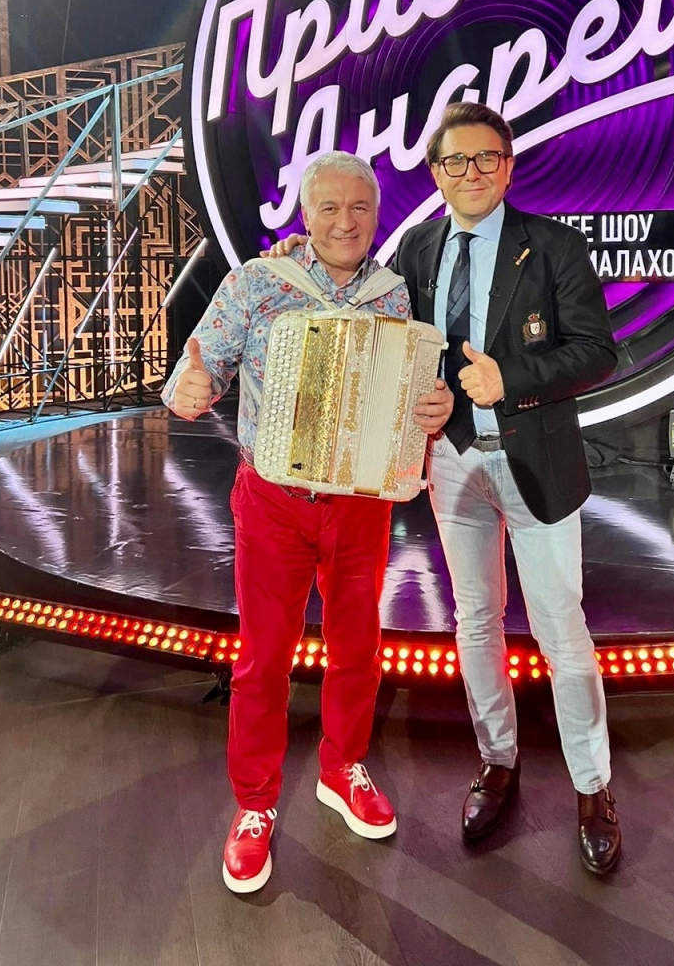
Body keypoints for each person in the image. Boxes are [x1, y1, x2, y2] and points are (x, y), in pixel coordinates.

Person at [271, 104, 622, 876]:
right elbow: (375, 314)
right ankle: (497, 762)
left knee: (561, 631)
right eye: (455, 161)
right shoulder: (418, 248)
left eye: (486, 158)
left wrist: (511, 380)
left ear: (509, 165)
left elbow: (598, 351)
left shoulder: (555, 246)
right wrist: (302, 252)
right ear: (434, 173)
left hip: (536, 465)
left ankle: (593, 788)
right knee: (475, 621)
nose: (471, 173)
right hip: (453, 463)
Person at [163, 151, 453, 895]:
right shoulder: (258, 283)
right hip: (274, 499)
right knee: (263, 658)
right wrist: (189, 387)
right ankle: (255, 803)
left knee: (358, 647)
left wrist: (434, 408)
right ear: (305, 214)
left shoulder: (394, 295)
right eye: (329, 207)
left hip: (360, 503)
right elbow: (199, 369)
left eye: (359, 207)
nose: (345, 222)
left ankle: (342, 766)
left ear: (377, 214)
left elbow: (411, 393)